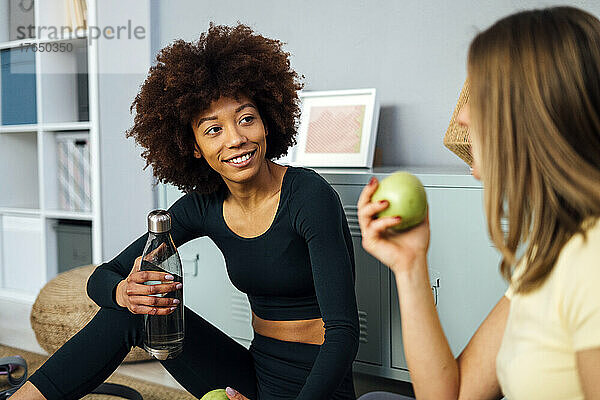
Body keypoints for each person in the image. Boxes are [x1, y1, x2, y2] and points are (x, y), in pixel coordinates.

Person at [14, 23, 359, 400]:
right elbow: (103, 277)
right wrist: (124, 293)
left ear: (267, 121)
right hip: (255, 374)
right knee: (135, 309)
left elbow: (343, 334)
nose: (235, 139)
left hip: (318, 386)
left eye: (246, 119)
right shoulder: (204, 205)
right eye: (213, 130)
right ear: (193, 146)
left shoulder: (308, 196)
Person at [357, 6, 600, 400]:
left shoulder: (591, 260)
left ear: (535, 115)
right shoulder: (551, 248)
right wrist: (410, 265)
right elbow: (450, 395)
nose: (464, 116)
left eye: (480, 96)